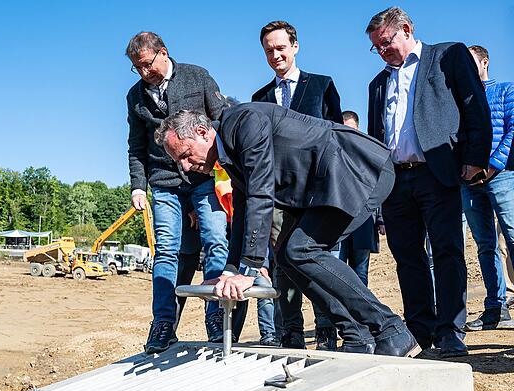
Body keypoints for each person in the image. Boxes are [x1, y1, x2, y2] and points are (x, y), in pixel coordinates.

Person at [156, 104, 421, 357]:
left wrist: (250, 268)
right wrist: (232, 268)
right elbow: (242, 209)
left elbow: (261, 193)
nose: (186, 167)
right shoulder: (227, 153)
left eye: (185, 155)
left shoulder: (244, 122)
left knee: (302, 249)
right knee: (286, 254)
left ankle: (391, 329)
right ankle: (356, 334)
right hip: (325, 187)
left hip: (357, 169)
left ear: (202, 132)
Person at [365, 7, 492, 358]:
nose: (382, 51)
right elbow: (378, 136)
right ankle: (420, 330)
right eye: (376, 47)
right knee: (407, 258)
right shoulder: (377, 84)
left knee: (447, 251)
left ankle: (452, 330)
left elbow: (475, 107)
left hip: (436, 173)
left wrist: (475, 157)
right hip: (395, 180)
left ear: (405, 29)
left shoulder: (446, 57)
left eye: (386, 42)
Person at [125, 31, 229, 354]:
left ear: (163, 53)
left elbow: (221, 122)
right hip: (164, 183)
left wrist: (227, 175)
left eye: (146, 65)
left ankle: (215, 317)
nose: (144, 73)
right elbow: (137, 146)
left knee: (216, 240)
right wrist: (138, 186)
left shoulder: (198, 77)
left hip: (203, 178)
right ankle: (164, 323)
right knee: (166, 249)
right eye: (136, 68)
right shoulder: (135, 97)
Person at [246, 20, 344, 351]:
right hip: (280, 196)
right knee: (283, 264)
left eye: (280, 48)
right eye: (268, 50)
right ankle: (291, 334)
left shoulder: (321, 85)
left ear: (295, 46)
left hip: (318, 192)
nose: (275, 55)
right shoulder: (259, 98)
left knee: (319, 260)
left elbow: (338, 137)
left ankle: (327, 331)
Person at [462, 45, 514, 331]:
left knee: (513, 237)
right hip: (469, 183)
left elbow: (512, 128)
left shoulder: (506, 91)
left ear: (485, 62)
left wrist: (493, 164)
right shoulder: (461, 100)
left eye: (473, 62)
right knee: (485, 246)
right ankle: (496, 308)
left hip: (502, 175)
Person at [337, 111, 385, 287]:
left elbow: (379, 187)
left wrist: (380, 218)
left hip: (363, 222)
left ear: (358, 128)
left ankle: (361, 314)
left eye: (351, 128)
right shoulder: (334, 151)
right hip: (337, 223)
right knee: (338, 270)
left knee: (360, 272)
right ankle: (342, 314)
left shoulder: (369, 151)